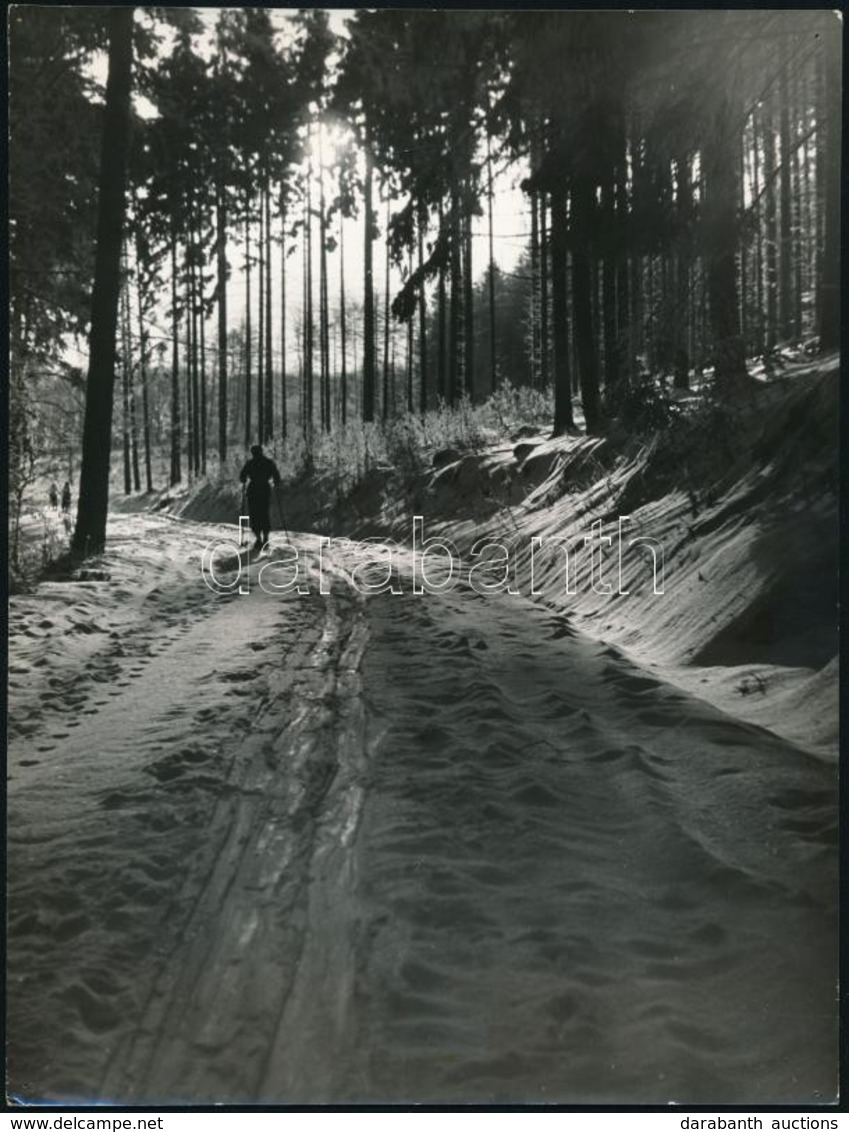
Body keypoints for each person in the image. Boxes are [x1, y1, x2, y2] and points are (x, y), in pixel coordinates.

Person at [238, 444, 282, 552]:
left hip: (253, 491)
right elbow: (277, 476)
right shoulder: (268, 462)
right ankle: (266, 538)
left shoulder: (250, 463)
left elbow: (242, 477)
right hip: (264, 490)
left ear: (253, 453)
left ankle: (258, 539)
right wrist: (275, 482)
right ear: (261, 452)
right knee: (264, 513)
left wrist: (244, 479)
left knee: (255, 515)